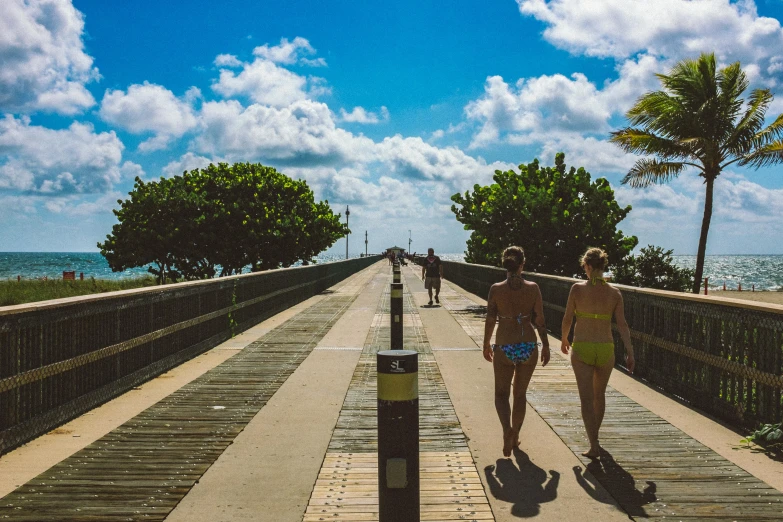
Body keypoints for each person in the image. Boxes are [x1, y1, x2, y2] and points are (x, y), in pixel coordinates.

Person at [560, 247, 634, 458]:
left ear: (589, 266)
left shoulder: (577, 289)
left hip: (582, 346)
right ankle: (595, 439)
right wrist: (630, 351)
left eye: (584, 266)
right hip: (605, 348)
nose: (584, 270)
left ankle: (593, 444)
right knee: (599, 395)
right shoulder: (614, 293)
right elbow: (622, 324)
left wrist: (564, 338)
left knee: (586, 398)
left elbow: (568, 318)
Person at [482, 246, 550, 457]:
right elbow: (540, 320)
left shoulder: (496, 289)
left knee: (501, 395)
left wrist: (486, 343)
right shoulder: (533, 288)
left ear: (505, 264)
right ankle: (516, 435)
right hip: (528, 346)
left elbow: (491, 318)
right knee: (520, 395)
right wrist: (546, 345)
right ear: (522, 264)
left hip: (504, 345)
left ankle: (507, 431)